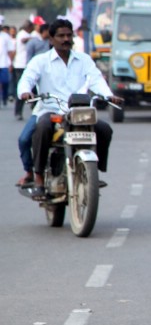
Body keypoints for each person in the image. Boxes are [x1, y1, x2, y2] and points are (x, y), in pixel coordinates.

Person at [17, 19, 123, 196]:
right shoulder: (40, 61)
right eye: (61, 36)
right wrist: (25, 92)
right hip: (49, 110)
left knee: (105, 130)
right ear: (51, 39)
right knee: (33, 134)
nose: (66, 39)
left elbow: (96, 79)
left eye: (69, 35)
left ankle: (94, 170)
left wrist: (108, 95)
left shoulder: (84, 60)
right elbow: (27, 79)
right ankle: (37, 177)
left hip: (79, 112)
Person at [12, 20, 33, 120]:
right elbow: (23, 40)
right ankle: (18, 111)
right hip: (20, 65)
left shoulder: (26, 34)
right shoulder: (22, 34)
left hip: (26, 64)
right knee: (22, 89)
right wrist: (33, 37)